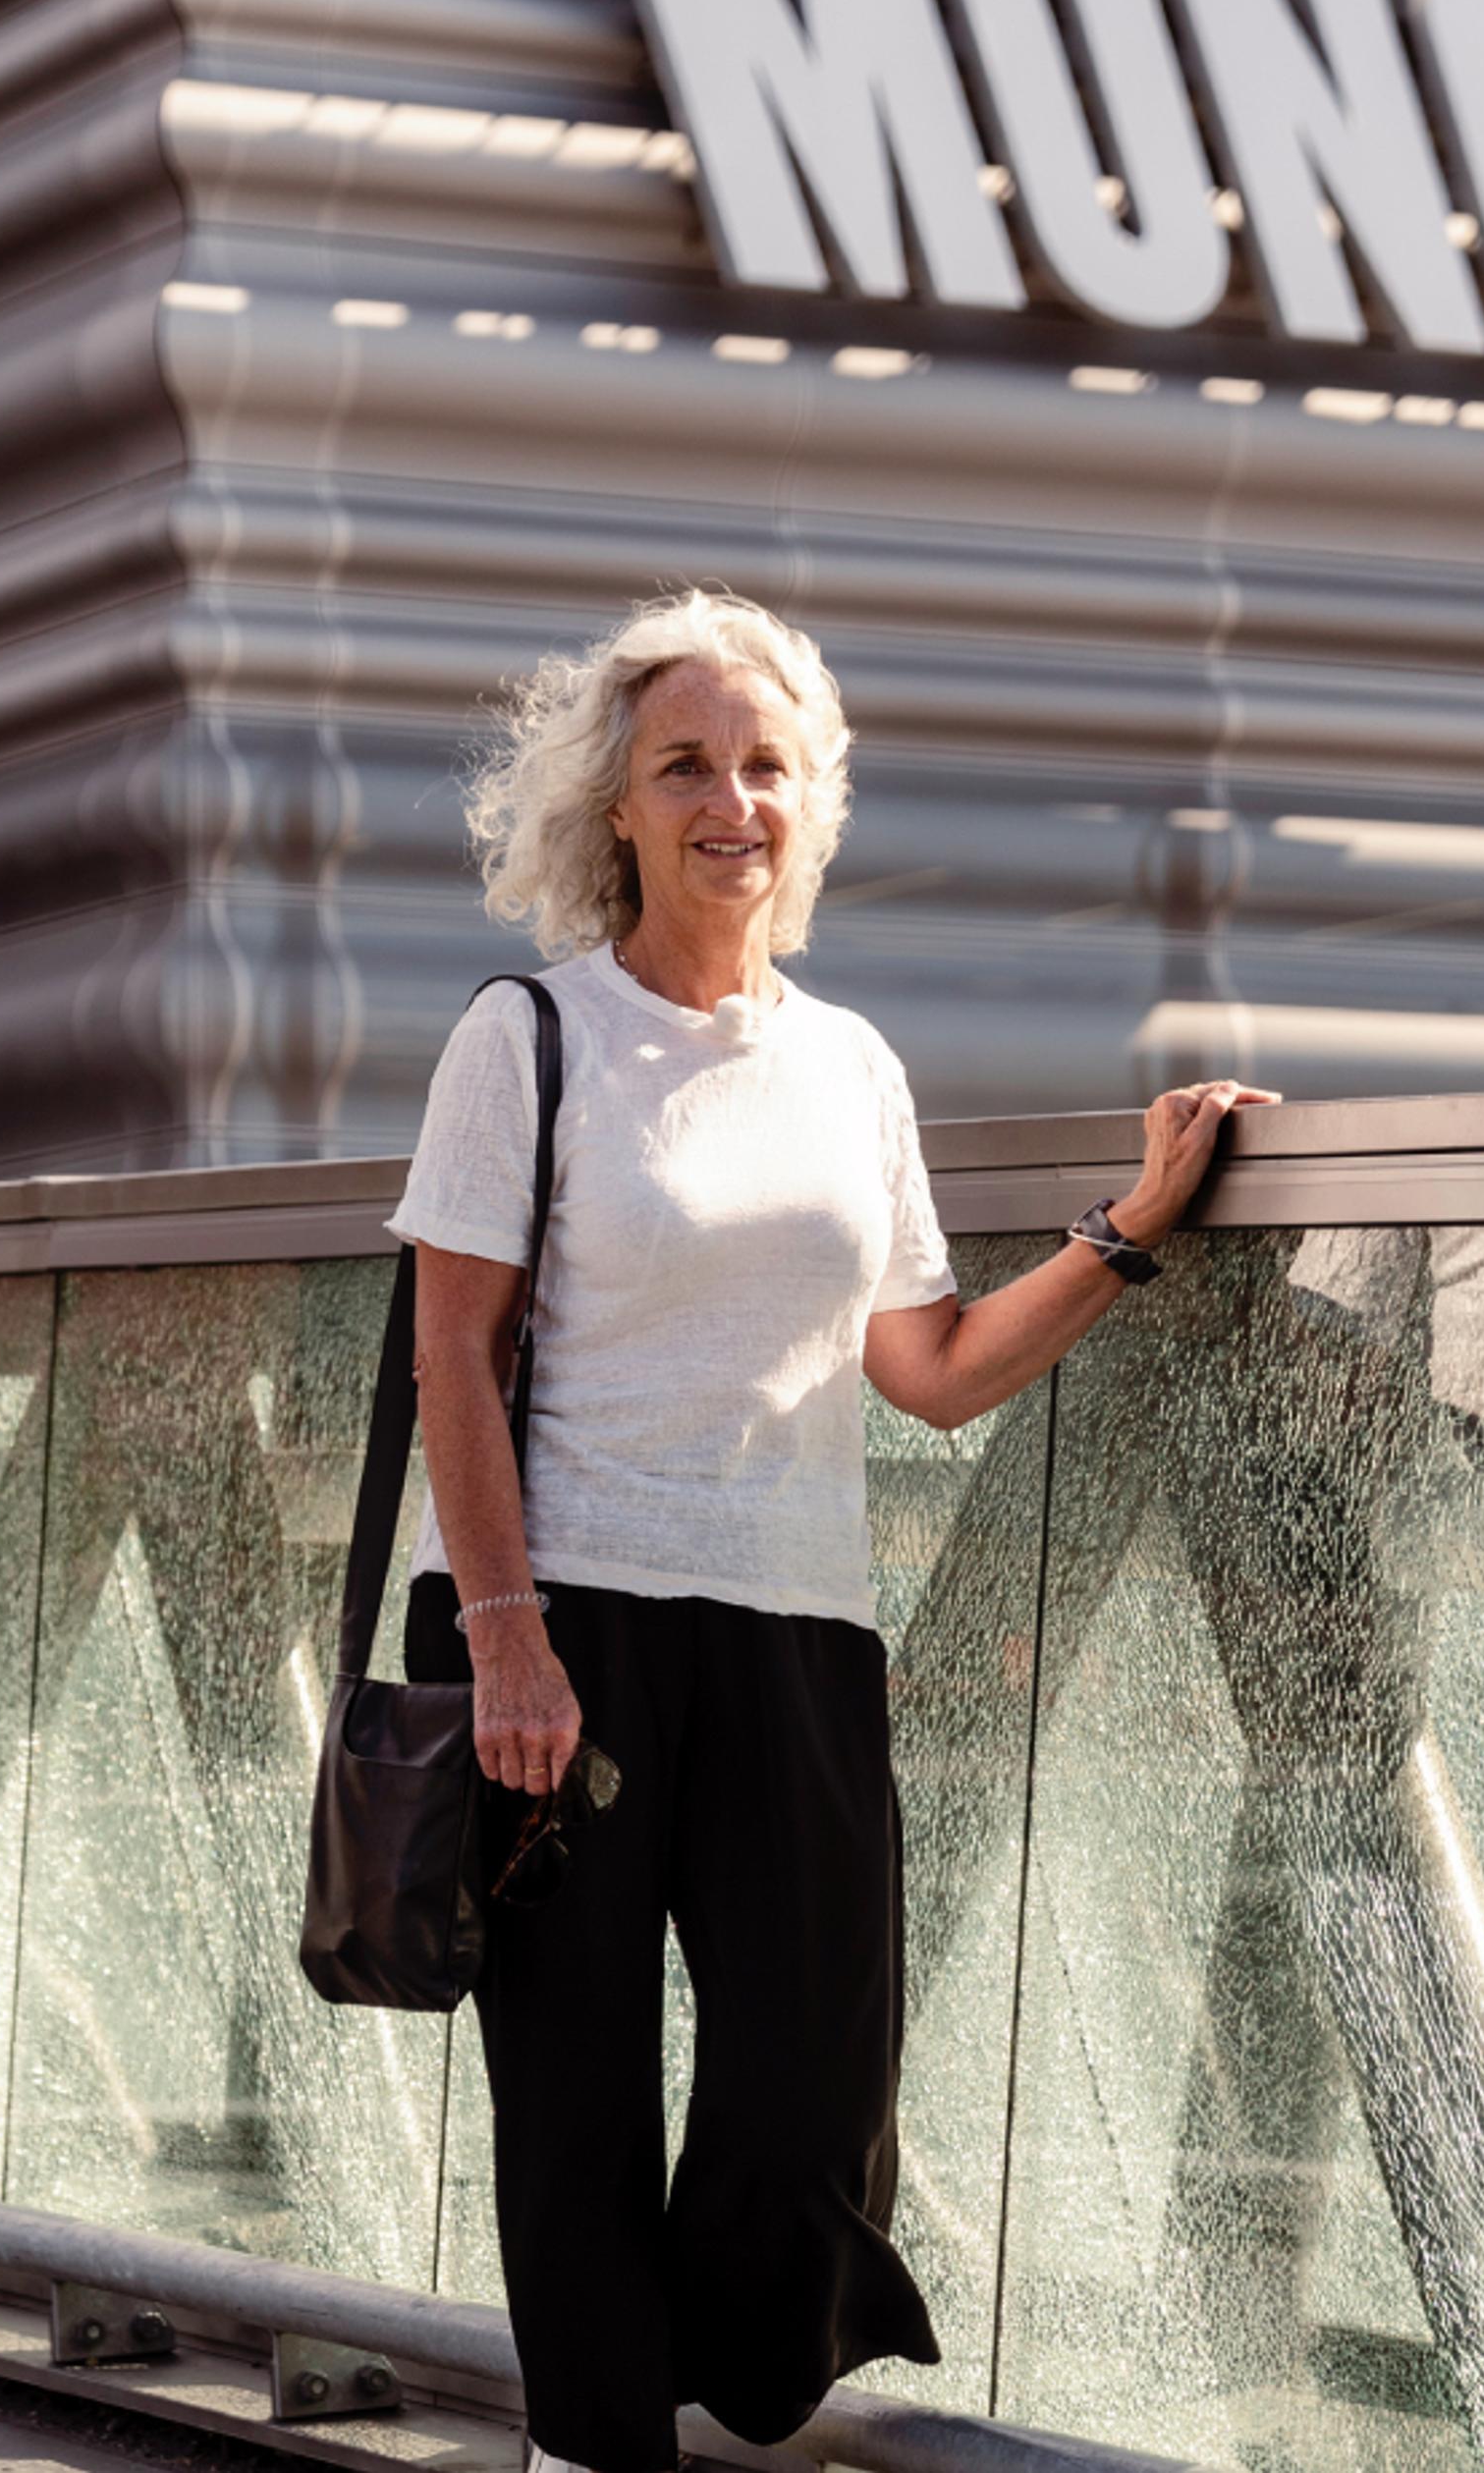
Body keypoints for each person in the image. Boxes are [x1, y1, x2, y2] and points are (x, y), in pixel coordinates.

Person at [387, 589, 1277, 2473]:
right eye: (686, 765)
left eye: (766, 765)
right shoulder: (530, 1037)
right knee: (576, 2090)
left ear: (814, 804)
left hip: (802, 1625)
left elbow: (931, 1369)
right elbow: (451, 1347)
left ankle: (706, 2373)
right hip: (582, 1619)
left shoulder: (852, 1067)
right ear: (615, 808)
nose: (733, 799)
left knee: (812, 2086)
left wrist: (1127, 1228)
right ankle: (595, 2443)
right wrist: (509, 1632)